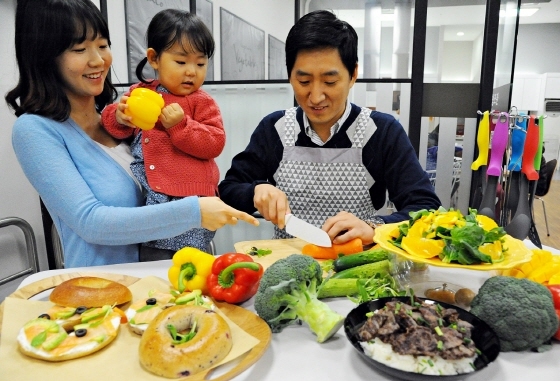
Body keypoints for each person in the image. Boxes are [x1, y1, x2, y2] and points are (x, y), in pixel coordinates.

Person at [6, 0, 258, 268]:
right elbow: (92, 223)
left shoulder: (127, 117)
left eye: (103, 45)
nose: (98, 60)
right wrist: (195, 212)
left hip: (161, 284)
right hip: (105, 291)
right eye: (79, 49)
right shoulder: (36, 130)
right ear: (45, 57)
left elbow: (210, 142)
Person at [218, 10, 440, 246]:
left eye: (330, 82)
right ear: (290, 76)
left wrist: (374, 227)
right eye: (303, 81)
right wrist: (256, 191)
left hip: (356, 265)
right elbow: (229, 190)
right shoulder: (275, 128)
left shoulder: (381, 131)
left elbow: (426, 209)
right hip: (288, 266)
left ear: (353, 74)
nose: (315, 96)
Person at [101, 9, 223, 260]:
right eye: (181, 62)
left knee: (190, 261)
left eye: (200, 63)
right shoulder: (141, 93)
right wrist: (119, 116)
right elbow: (111, 126)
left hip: (190, 196)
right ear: (154, 58)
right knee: (152, 256)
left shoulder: (202, 102)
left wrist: (181, 126)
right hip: (153, 197)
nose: (192, 71)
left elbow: (215, 142)